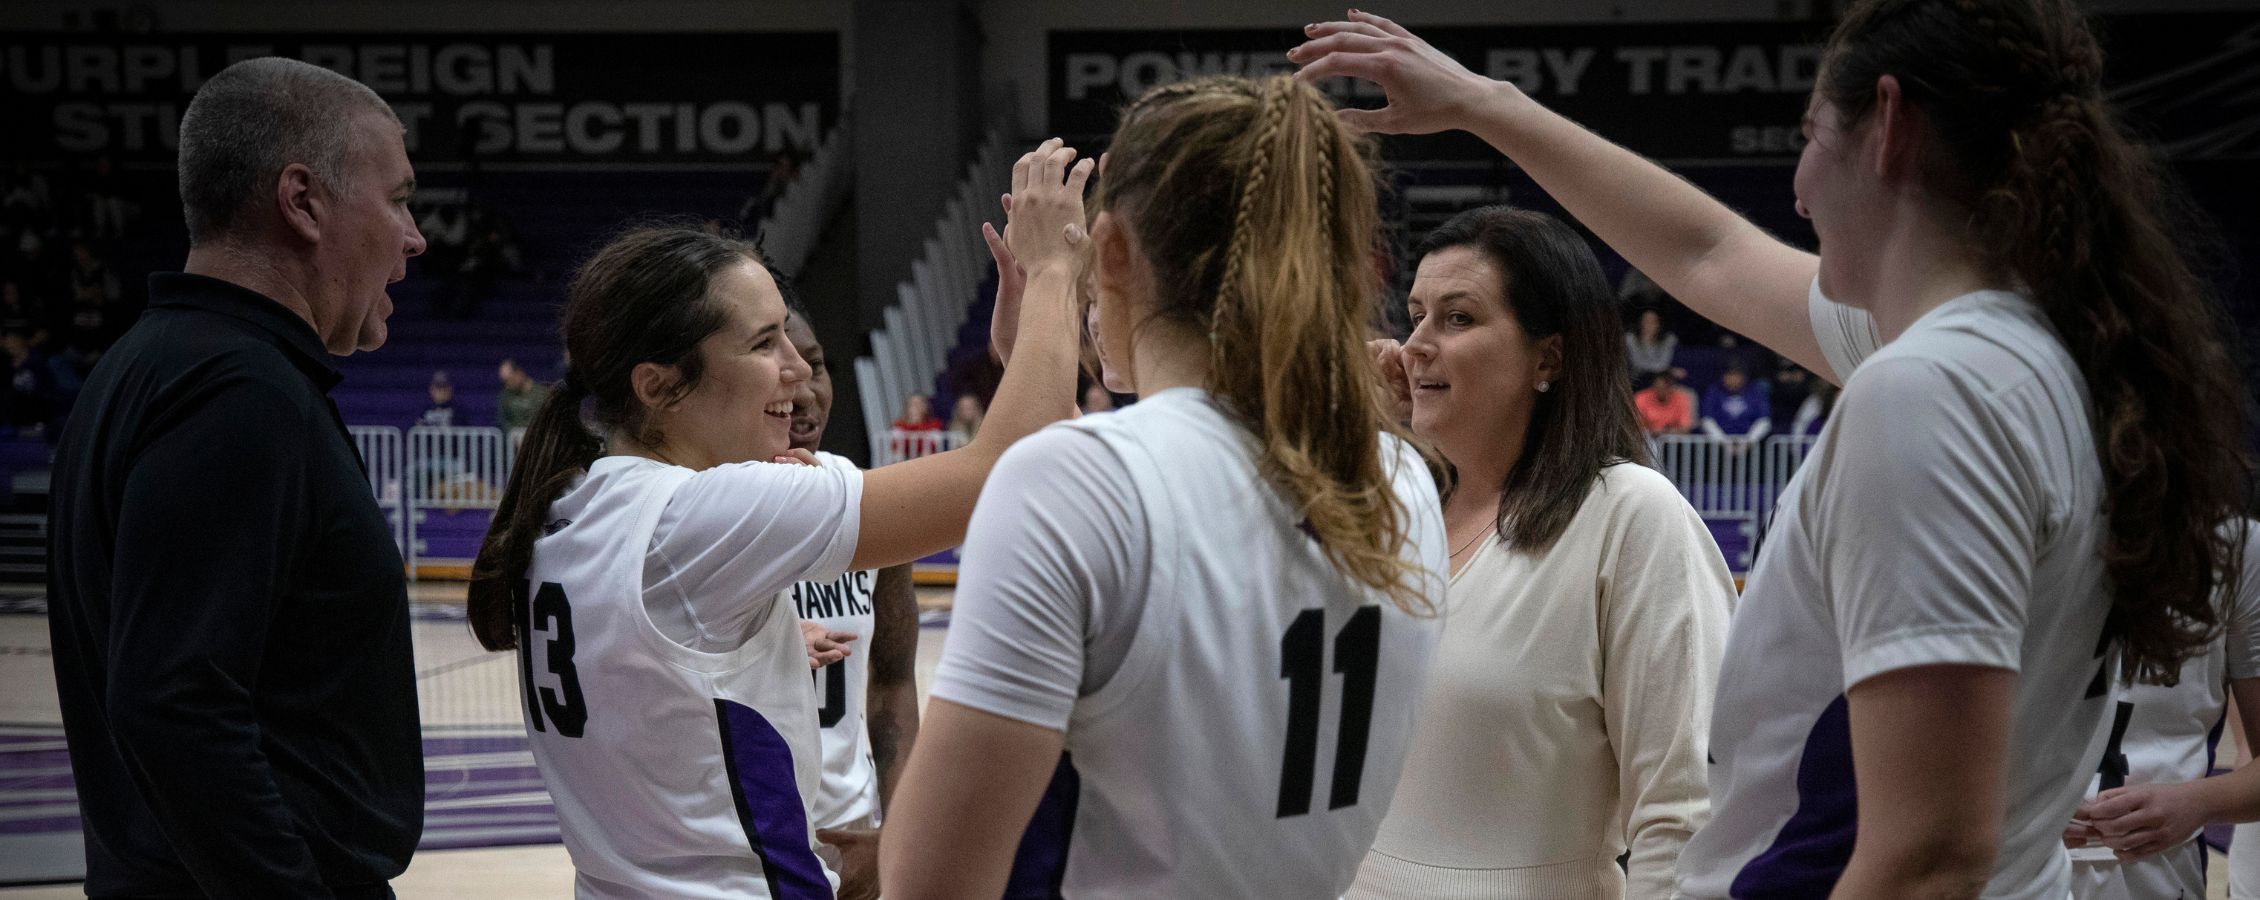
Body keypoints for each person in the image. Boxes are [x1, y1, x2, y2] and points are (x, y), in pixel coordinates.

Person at [1292, 1, 2249, 896]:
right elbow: (1706, 252)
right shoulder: (2025, 356)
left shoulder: (1932, 391)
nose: (1794, 190)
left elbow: (1928, 852)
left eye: (1806, 140)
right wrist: (1484, 106)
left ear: (1888, 124)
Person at [464, 135, 1088, 897]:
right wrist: (1055, 273)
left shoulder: (572, 499)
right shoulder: (700, 517)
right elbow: (1012, 471)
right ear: (660, 386)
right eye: (765, 345)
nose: (797, 371)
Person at [882, 74, 1450, 899]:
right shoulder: (1397, 474)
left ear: (1110, 251)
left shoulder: (1078, 483)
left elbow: (930, 882)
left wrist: (1047, 280)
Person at [46, 56, 427, 897]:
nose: (415, 234)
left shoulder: (147, 364)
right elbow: (173, 701)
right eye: (398, 198)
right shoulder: (239, 392)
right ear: (302, 201)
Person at [1352, 206, 1732, 898]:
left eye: (1458, 318)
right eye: (1415, 316)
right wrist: (1352, 421)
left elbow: (1681, 815)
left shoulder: (1631, 516)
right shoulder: (1391, 509)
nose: (1414, 345)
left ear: (1547, 358)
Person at [776, 307, 923, 900]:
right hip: (739, 840)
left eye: (815, 368)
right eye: (784, 374)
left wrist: (899, 834)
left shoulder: (871, 505)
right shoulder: (695, 510)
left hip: (852, 828)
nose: (806, 393)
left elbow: (891, 684)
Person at [2062, 519, 2260, 899]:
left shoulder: (2235, 548)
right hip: (2012, 860)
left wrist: (2197, 802)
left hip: (2158, 871)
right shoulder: (2017, 515)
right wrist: (2018, 801)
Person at [1697, 363, 1771, 445]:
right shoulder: (1713, 392)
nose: (1733, 379)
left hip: (1750, 445)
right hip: (1717, 446)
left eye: (1736, 376)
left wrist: (1750, 440)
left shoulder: (1755, 392)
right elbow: (1707, 419)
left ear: (1744, 377)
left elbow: (1764, 419)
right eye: (1729, 375)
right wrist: (1723, 441)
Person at [1634, 369, 1694, 437]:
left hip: (1672, 441)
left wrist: (1665, 432)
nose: (1661, 391)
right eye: (1658, 387)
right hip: (1646, 438)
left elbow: (1685, 429)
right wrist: (1652, 432)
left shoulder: (1682, 399)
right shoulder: (1641, 398)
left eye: (1664, 387)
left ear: (1671, 386)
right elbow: (1634, 426)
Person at [496, 356, 549, 434]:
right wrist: (513, 433)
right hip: (514, 440)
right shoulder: (505, 395)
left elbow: (547, 418)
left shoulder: (541, 392)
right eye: (504, 382)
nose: (507, 385)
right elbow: (502, 420)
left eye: (510, 380)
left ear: (519, 373)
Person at [1624, 307, 1676, 380]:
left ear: (1659, 324)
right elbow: (1638, 363)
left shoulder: (1669, 339)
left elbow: (1664, 364)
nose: (1649, 325)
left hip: (1660, 381)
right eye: (1645, 321)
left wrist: (1664, 369)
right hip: (1637, 379)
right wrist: (1669, 369)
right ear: (1640, 323)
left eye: (1653, 322)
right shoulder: (1630, 338)